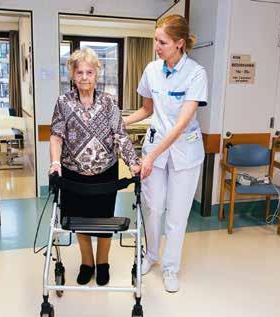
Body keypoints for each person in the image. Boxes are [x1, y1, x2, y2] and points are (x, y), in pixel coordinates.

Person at [123, 14, 208, 293]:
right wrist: (117, 122)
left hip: (185, 151)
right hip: (156, 148)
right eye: (155, 41)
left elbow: (181, 123)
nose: (156, 46)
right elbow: (147, 109)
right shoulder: (151, 70)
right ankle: (151, 256)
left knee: (177, 214)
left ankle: (171, 268)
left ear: (179, 44)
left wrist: (149, 156)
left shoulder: (196, 73)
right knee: (153, 206)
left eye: (162, 42)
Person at [49, 48, 141, 286]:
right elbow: (56, 136)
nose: (84, 77)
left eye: (89, 72)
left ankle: (103, 263)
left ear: (97, 74)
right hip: (73, 175)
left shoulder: (109, 102)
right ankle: (86, 263)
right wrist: (55, 163)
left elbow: (120, 135)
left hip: (105, 174)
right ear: (72, 74)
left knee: (103, 221)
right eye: (79, 72)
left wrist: (133, 163)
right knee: (80, 220)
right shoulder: (63, 102)